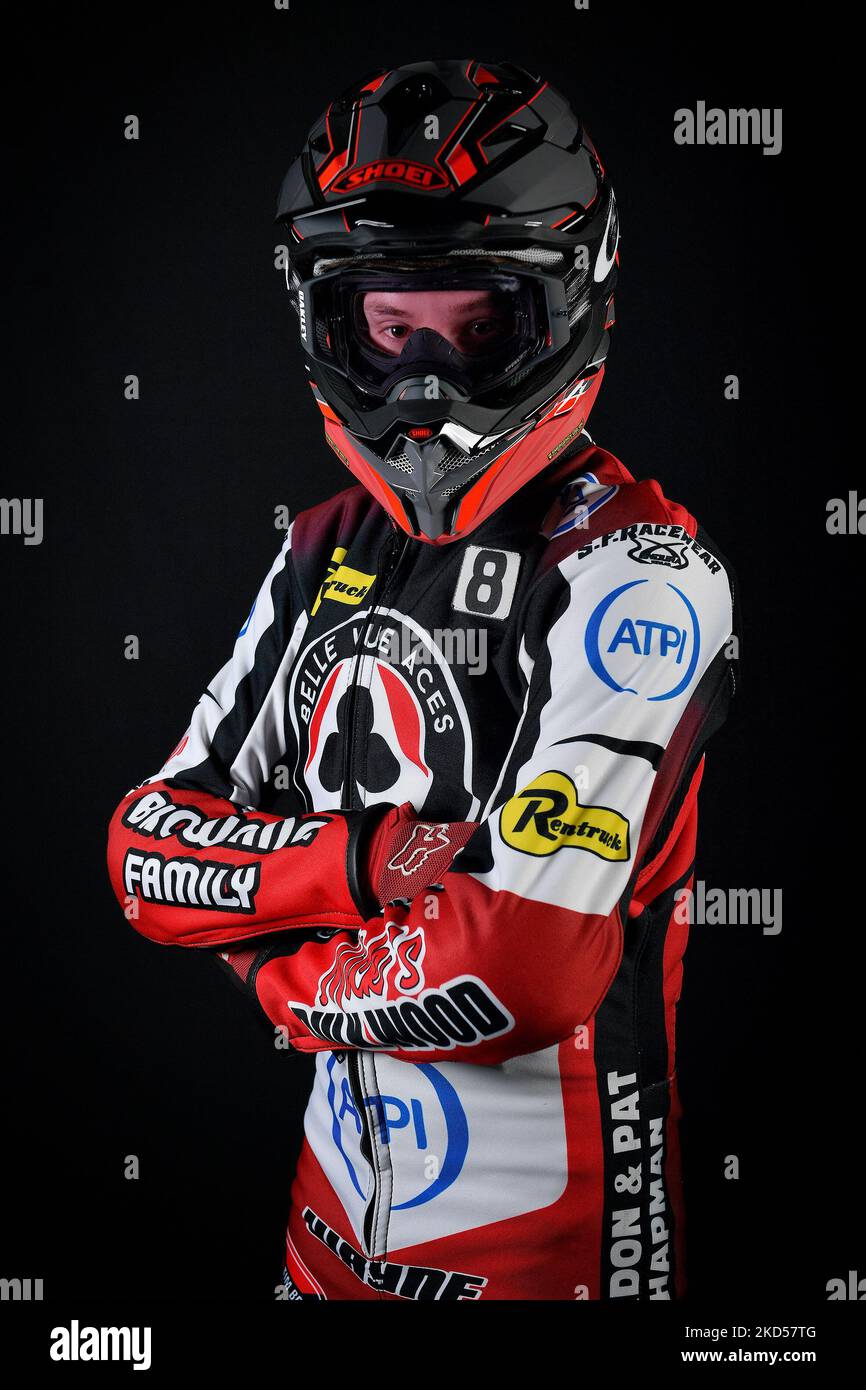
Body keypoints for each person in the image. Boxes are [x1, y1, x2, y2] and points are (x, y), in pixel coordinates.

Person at [107, 58, 738, 1301]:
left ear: (571, 306)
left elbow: (516, 973)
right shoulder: (320, 544)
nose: (423, 390)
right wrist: (357, 872)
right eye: (390, 331)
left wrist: (262, 962)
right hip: (320, 1232)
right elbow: (139, 846)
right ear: (326, 321)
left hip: (551, 1270)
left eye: (479, 328)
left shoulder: (638, 575)